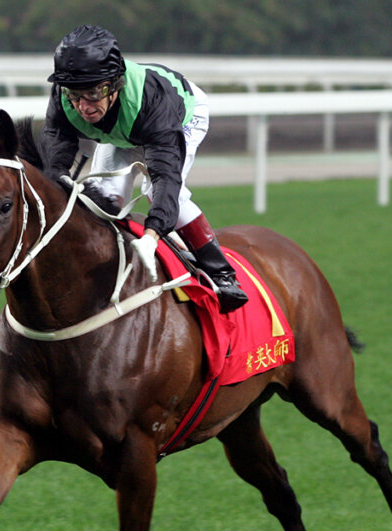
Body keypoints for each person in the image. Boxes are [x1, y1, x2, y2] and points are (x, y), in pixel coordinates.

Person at [41, 24, 248, 314]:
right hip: (124, 129)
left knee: (154, 190)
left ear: (115, 84)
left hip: (182, 116)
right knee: (104, 198)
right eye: (74, 95)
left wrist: (152, 235)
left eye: (93, 93)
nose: (83, 107)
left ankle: (222, 274)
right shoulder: (64, 97)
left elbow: (166, 178)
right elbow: (57, 154)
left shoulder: (153, 104)